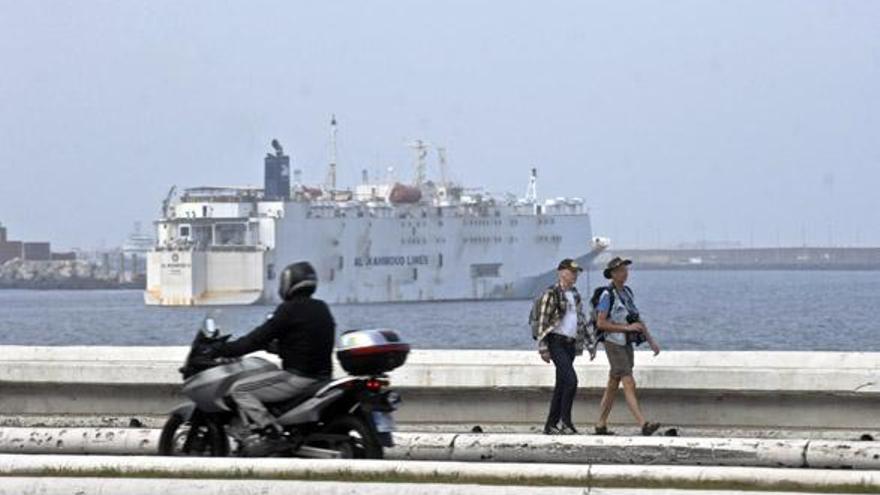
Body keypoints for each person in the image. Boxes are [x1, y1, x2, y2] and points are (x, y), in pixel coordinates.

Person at [211, 261, 336, 438]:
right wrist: (277, 348)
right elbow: (304, 344)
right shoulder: (321, 307)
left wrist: (223, 349)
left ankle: (270, 431)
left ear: (289, 283)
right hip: (323, 377)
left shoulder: (288, 309)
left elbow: (254, 340)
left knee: (240, 389)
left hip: (297, 378)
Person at [594, 256, 661, 436]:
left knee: (613, 383)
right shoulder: (607, 295)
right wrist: (626, 328)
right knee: (628, 380)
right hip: (613, 342)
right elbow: (600, 323)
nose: (625, 273)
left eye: (626, 270)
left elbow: (636, 319)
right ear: (613, 274)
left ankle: (600, 424)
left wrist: (651, 340)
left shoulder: (627, 293)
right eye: (621, 270)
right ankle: (643, 423)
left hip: (626, 343)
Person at [533, 258, 596, 435]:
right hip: (556, 342)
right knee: (571, 381)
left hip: (570, 344)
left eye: (576, 273)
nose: (574, 276)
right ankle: (565, 422)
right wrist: (543, 347)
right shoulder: (551, 293)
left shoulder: (574, 294)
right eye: (571, 272)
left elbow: (581, 320)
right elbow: (543, 322)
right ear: (561, 273)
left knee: (562, 384)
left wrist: (590, 344)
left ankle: (551, 425)